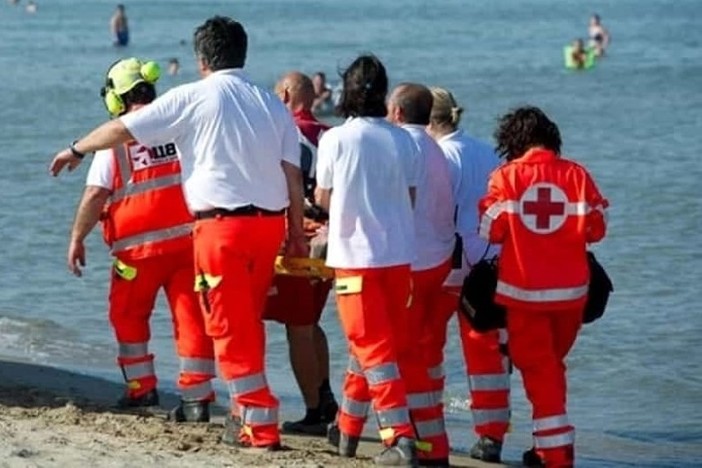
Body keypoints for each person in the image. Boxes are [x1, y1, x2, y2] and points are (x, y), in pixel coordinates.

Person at [50, 16, 306, 451]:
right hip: (266, 227)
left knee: (226, 324)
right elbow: (292, 174)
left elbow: (116, 140)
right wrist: (296, 232)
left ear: (201, 59)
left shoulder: (192, 97)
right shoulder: (271, 103)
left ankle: (258, 424)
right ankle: (238, 406)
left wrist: (75, 148)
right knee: (242, 321)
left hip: (215, 231)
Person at [66, 58, 215, 420]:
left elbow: (95, 195)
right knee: (192, 319)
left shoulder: (115, 140)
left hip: (135, 255)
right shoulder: (179, 129)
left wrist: (76, 238)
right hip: (187, 245)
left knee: (129, 317)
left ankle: (142, 390)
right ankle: (196, 399)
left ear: (116, 100)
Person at [479, 106, 608, 468]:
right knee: (551, 368)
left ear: (512, 142)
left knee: (540, 371)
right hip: (571, 298)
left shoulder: (505, 178)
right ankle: (543, 448)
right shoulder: (577, 176)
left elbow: (490, 230)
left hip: (524, 296)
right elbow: (597, 229)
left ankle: (556, 456)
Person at [316, 55, 421, 466]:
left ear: (346, 93)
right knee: (371, 348)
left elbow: (322, 198)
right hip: (399, 260)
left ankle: (398, 437)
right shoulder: (404, 140)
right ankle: (346, 430)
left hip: (355, 262)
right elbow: (409, 198)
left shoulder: (337, 139)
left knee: (373, 350)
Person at [426, 87, 509, 464]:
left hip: (451, 264)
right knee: (488, 353)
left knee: (427, 345)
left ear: (428, 119)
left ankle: (426, 425)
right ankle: (491, 436)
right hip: (491, 262)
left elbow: (435, 214)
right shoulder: (485, 151)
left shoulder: (439, 156)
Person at [386, 83, 455, 467]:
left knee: (400, 354)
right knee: (421, 353)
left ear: (397, 112)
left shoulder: (403, 146)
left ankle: (426, 442)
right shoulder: (435, 148)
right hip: (439, 261)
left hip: (413, 263)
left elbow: (399, 205)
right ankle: (426, 434)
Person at [268, 71, 338, 435]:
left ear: (285, 94)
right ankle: (324, 396)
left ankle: (315, 411)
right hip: (329, 241)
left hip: (295, 239)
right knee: (309, 321)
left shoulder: (281, 133)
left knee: (297, 326)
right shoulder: (331, 135)